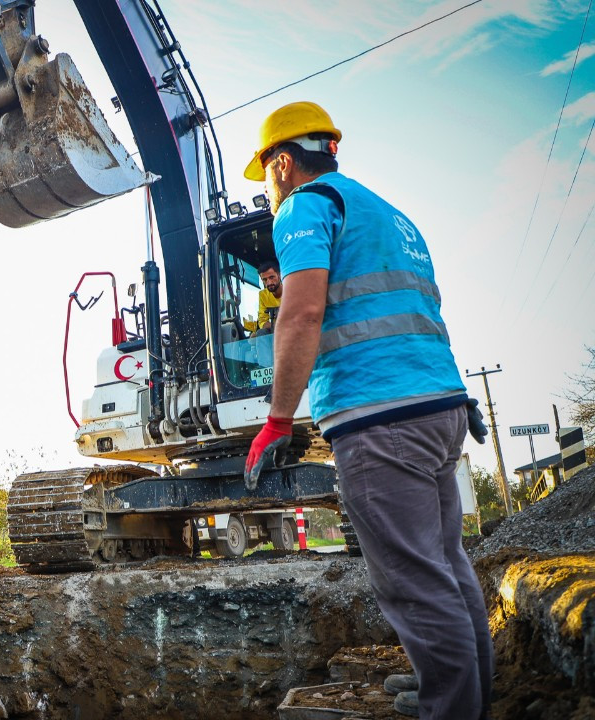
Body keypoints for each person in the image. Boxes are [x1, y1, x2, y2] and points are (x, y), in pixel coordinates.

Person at [242, 102, 492, 719]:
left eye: (266, 174)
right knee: (445, 564)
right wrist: (456, 393)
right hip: (435, 405)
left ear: (281, 161)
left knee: (411, 579)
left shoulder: (304, 205)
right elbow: (410, 309)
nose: (269, 187)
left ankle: (452, 708)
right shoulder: (388, 213)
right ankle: (464, 691)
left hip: (378, 418)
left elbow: (302, 315)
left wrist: (277, 420)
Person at [243, 261, 283, 335]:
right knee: (261, 333)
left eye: (272, 277)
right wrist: (270, 326)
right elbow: (262, 319)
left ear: (279, 275)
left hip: (293, 330)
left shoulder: (291, 291)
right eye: (265, 280)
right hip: (274, 332)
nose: (269, 283)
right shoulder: (263, 295)